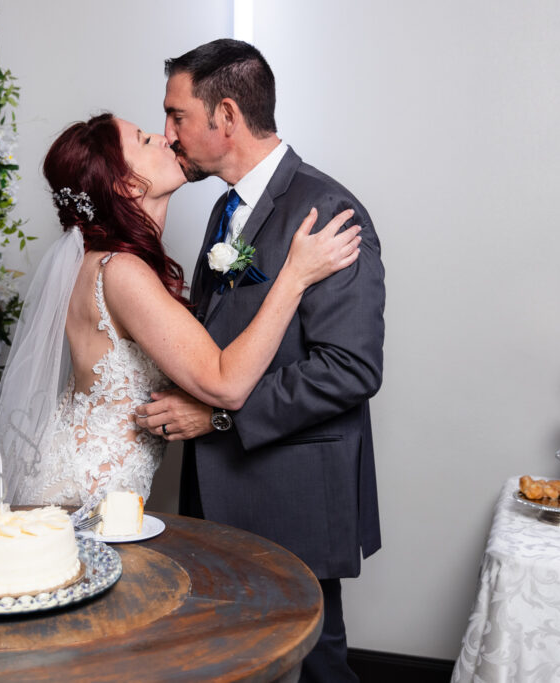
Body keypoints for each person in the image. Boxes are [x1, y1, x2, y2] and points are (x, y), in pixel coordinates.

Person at [0, 112, 361, 525]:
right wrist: (294, 276)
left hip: (76, 487)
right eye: (142, 139)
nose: (161, 136)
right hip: (87, 501)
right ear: (127, 183)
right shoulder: (121, 273)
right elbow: (226, 384)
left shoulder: (95, 264)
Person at [135, 39, 385, 682]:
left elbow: (350, 368)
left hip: (291, 491)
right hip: (220, 489)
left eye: (177, 115)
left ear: (224, 115)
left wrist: (217, 419)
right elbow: (219, 339)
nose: (168, 134)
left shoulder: (327, 210)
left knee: (316, 663)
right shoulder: (226, 206)